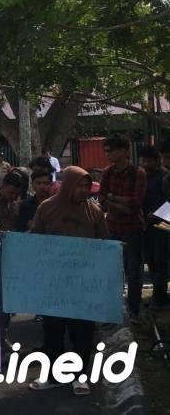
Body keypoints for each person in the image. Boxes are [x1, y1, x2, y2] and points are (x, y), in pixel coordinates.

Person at [28, 166, 109, 396]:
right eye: (79, 185)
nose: (84, 190)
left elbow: (103, 243)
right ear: (67, 185)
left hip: (82, 283)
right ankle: (54, 376)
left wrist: (112, 251)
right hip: (53, 282)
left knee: (81, 331)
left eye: (87, 185)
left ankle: (80, 376)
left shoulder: (94, 211)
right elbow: (35, 241)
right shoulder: (46, 208)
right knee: (52, 331)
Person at [99, 135, 147, 323]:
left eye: (112, 150)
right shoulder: (108, 172)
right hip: (112, 227)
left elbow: (136, 203)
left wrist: (113, 198)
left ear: (125, 151)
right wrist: (120, 203)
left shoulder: (138, 173)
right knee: (112, 271)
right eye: (107, 150)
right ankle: (113, 311)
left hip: (133, 228)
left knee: (134, 272)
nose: (108, 154)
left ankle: (134, 311)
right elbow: (101, 198)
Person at [139, 146, 168, 307]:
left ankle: (159, 297)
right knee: (150, 260)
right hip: (146, 225)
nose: (144, 164)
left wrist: (156, 214)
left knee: (160, 261)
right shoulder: (142, 176)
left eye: (148, 161)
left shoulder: (164, 177)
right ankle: (158, 296)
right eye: (143, 160)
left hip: (162, 225)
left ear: (156, 161)